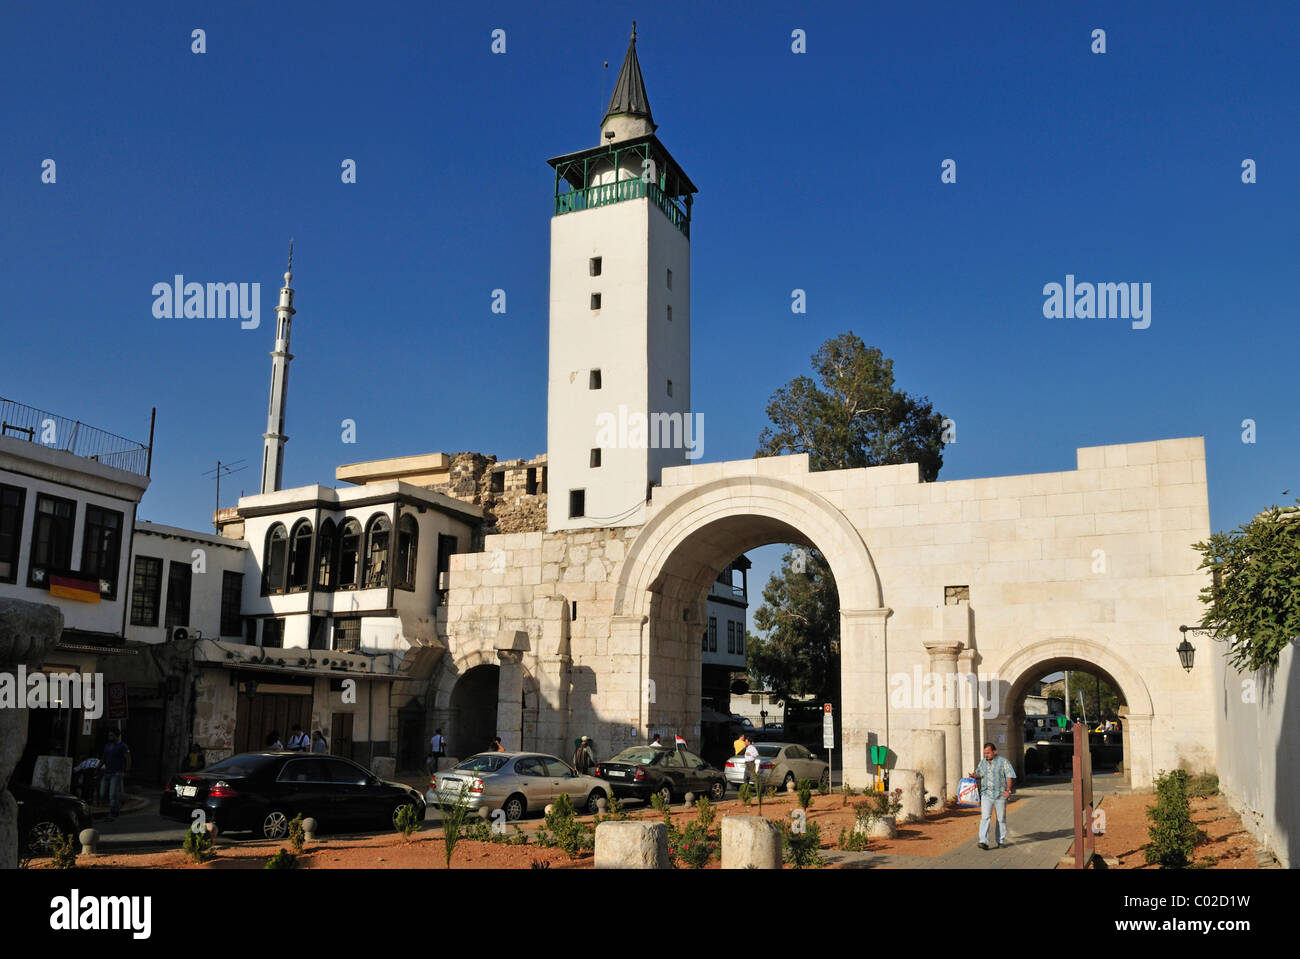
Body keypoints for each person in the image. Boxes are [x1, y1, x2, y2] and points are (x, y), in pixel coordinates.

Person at [970, 742, 1016, 850]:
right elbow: (979, 774)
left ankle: (1000, 840)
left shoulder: (1003, 762)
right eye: (985, 753)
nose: (986, 755)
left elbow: (1009, 776)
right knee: (985, 817)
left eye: (988, 753)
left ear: (994, 752)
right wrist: (974, 776)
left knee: (1001, 818)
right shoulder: (982, 763)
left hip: (1000, 795)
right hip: (986, 794)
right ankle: (983, 841)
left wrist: (1008, 790)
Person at [99, 729, 131, 821]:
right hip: (107, 772)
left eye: (112, 735)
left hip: (117, 773)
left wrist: (127, 770)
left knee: (112, 794)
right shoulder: (107, 746)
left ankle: (112, 813)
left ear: (117, 736)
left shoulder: (123, 746)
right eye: (109, 735)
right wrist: (98, 767)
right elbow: (103, 758)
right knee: (102, 793)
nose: (110, 737)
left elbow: (128, 758)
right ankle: (118, 804)